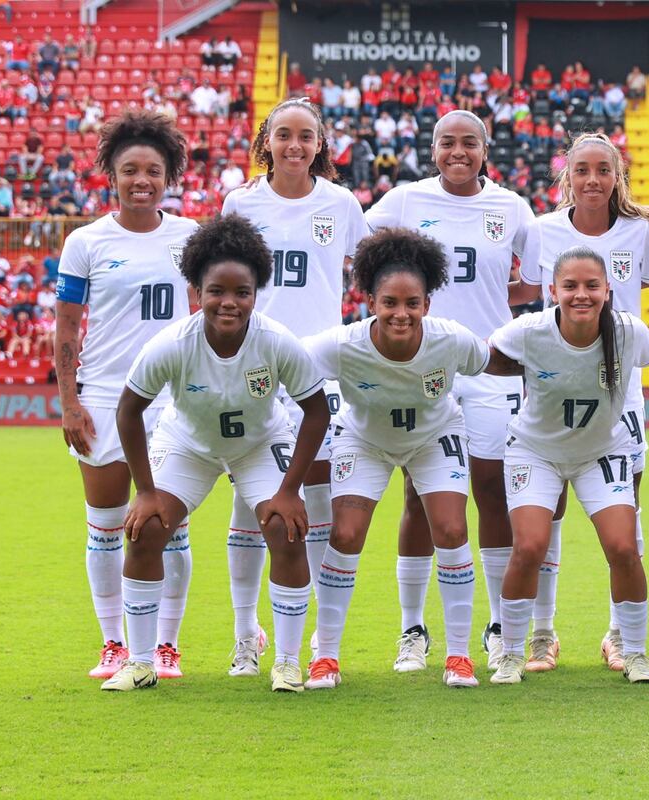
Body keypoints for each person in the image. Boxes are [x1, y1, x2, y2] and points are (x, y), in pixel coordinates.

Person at [104, 215, 330, 693]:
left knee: (285, 529)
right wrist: (144, 492)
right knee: (145, 529)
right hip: (189, 445)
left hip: (259, 444)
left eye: (242, 292)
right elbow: (128, 412)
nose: (229, 302)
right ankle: (141, 663)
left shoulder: (277, 341)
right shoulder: (172, 343)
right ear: (196, 290)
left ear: (256, 293)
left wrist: (290, 489)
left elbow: (315, 411)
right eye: (216, 291)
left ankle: (287, 663)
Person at [365, 110, 534, 673]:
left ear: (486, 150)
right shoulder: (405, 201)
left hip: (485, 368)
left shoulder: (511, 206)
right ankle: (413, 629)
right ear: (431, 148)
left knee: (491, 491)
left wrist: (497, 297)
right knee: (417, 495)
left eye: (469, 143)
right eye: (446, 143)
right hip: (420, 366)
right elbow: (360, 254)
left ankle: (495, 624)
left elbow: (536, 277)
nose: (457, 152)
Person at [516, 132, 649, 671]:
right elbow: (522, 296)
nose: (592, 180)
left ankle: (618, 634)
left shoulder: (639, 232)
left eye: (602, 171)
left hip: (620, 395)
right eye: (581, 170)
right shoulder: (542, 230)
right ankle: (542, 633)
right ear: (567, 176)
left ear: (617, 178)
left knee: (624, 519)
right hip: (551, 392)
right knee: (549, 510)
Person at [303, 228, 491, 690]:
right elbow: (290, 367)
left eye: (412, 303)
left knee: (450, 528)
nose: (401, 313)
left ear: (427, 303)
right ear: (370, 301)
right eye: (390, 302)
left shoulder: (453, 341)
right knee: (345, 534)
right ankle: (325, 656)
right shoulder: (341, 345)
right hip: (363, 439)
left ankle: (459, 656)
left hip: (433, 436)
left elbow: (490, 362)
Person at [487, 246, 649, 685]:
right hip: (535, 451)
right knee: (530, 548)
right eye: (570, 286)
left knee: (623, 548)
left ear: (608, 290)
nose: (582, 295)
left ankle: (634, 653)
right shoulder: (530, 331)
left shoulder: (629, 332)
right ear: (553, 290)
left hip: (602, 452)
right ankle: (512, 655)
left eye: (592, 286)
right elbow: (487, 355)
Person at [221, 96, 368, 677]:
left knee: (319, 497)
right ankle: (244, 633)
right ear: (267, 141)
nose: (295, 145)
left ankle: (316, 642)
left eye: (306, 136)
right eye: (284, 134)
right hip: (254, 366)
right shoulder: (241, 202)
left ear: (319, 145)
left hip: (319, 372)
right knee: (249, 500)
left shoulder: (341, 203)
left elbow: (371, 271)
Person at [54, 110, 198, 681]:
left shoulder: (190, 236)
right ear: (111, 176)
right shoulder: (85, 242)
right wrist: (70, 400)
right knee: (106, 523)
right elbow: (67, 328)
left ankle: (166, 644)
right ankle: (113, 642)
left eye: (154, 171)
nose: (142, 179)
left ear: (169, 176)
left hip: (170, 398)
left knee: (168, 525)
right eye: (130, 170)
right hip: (105, 394)